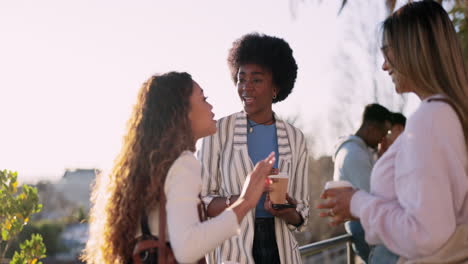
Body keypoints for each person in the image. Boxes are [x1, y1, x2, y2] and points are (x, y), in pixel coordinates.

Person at [318, 1, 468, 263]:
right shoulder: (450, 112)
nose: (384, 66)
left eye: (388, 53)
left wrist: (357, 203)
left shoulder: (429, 118)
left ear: (414, 51)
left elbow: (424, 233)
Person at [83, 72, 277, 263]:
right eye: (204, 99)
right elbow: (187, 248)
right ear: (183, 112)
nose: (211, 106)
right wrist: (245, 201)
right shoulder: (183, 163)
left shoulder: (150, 166)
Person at [199, 33, 310, 264]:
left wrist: (285, 210)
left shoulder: (295, 138)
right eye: (241, 79)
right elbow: (202, 202)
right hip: (232, 250)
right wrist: (244, 198)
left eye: (256, 80)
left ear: (275, 87)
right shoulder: (217, 132)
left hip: (281, 251)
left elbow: (302, 215)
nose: (246, 88)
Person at [333, 103, 392, 263]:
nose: (383, 138)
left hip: (364, 223)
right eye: (383, 132)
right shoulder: (354, 154)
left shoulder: (360, 151)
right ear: (371, 128)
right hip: (363, 228)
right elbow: (373, 195)